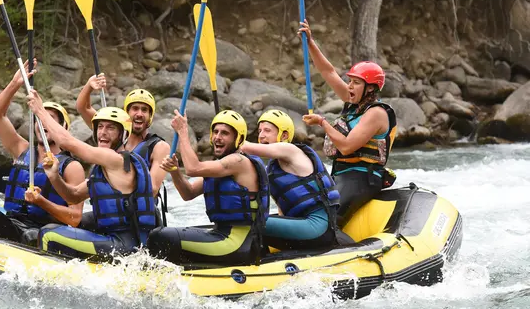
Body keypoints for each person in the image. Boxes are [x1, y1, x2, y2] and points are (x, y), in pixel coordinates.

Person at [28, 91, 156, 261]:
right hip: (114, 242)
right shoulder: (103, 169)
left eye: (111, 128)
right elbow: (72, 196)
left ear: (124, 135)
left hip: (125, 247)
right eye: (100, 127)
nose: (103, 132)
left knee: (49, 234)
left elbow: (67, 142)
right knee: (77, 224)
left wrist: (40, 111)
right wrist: (54, 176)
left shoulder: (117, 160)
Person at [298, 20, 398, 227]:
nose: (350, 86)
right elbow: (328, 72)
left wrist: (322, 122)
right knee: (305, 209)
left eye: (356, 82)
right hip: (341, 174)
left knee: (326, 221)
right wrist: (310, 43)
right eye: (350, 81)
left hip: (363, 178)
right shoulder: (354, 103)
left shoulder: (376, 113)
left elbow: (346, 146)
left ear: (370, 88)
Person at [0, 61, 85, 245]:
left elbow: (74, 218)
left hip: (47, 230)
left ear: (62, 128)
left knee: (31, 236)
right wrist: (15, 84)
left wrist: (41, 202)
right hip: (14, 223)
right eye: (38, 120)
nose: (42, 125)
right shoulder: (21, 148)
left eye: (48, 120)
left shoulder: (72, 167)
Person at [147, 110, 269, 266]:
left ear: (238, 139)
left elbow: (193, 168)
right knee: (164, 233)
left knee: (160, 236)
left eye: (225, 133)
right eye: (215, 132)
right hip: (221, 235)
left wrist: (183, 131)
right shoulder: (220, 167)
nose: (218, 137)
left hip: (236, 244)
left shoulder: (238, 162)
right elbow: (188, 193)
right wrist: (175, 171)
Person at [239, 109, 343, 250]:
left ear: (284, 135)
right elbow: (282, 211)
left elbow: (246, 147)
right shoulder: (273, 170)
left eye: (267, 130)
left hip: (318, 226)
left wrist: (231, 140)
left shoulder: (291, 151)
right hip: (301, 226)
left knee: (248, 221)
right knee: (246, 218)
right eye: (260, 131)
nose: (261, 135)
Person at [76, 76, 170, 222]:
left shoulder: (159, 147)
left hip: (139, 216)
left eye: (144, 110)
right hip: (110, 211)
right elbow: (83, 108)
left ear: (150, 116)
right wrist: (89, 86)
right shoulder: (112, 133)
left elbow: (152, 189)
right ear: (126, 113)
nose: (139, 114)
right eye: (135, 108)